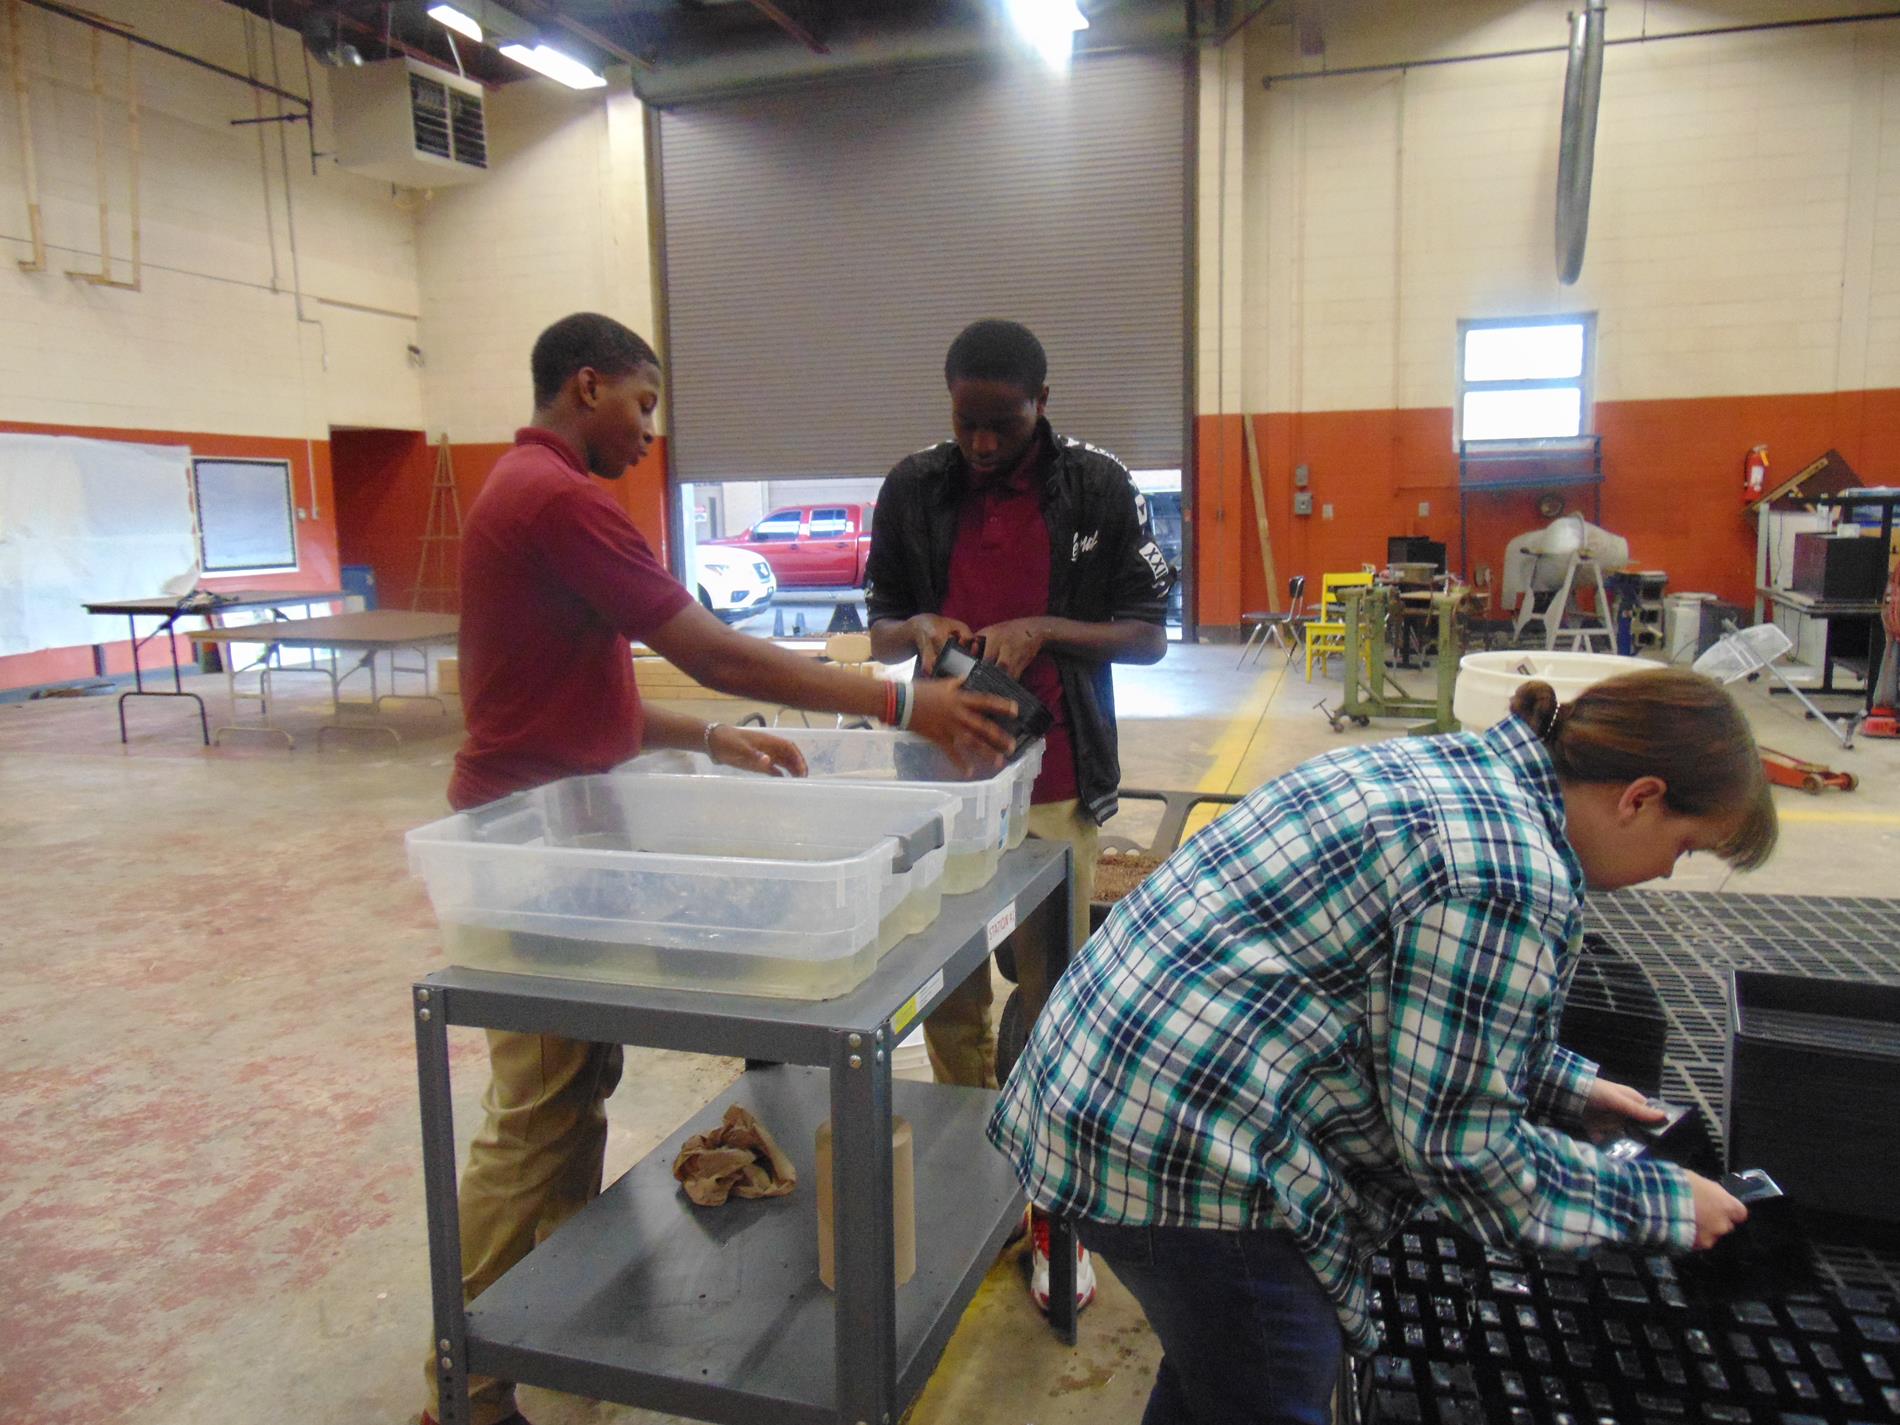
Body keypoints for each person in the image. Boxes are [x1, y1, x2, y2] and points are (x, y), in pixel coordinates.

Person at [420, 312, 1015, 1425]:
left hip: (566, 821)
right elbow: (709, 646)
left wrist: (705, 738)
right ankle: (469, 1379)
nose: (652, 432)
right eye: (642, 405)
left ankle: (542, 1331)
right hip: (537, 843)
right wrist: (900, 698)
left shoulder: (524, 490)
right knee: (535, 1110)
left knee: (569, 1092)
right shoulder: (558, 497)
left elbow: (568, 687)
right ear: (586, 385)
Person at [989, 669, 1778, 1425]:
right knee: (1275, 1378)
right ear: (1641, 798)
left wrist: (1564, 1084)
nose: (1666, 873)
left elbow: (1407, 999)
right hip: (1176, 1144)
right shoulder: (1509, 871)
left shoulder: (1463, 764)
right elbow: (1463, 1154)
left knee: (1226, 1371)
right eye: (1685, 849)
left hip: (1102, 1078)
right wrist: (1665, 1203)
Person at [864, 317, 1175, 1312]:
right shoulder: (915, 487)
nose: (982, 443)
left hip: (1053, 777)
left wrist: (1041, 628)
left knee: (1053, 992)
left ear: (1042, 402)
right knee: (941, 983)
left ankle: (1046, 1195)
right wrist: (917, 626)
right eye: (966, 423)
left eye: (1001, 423)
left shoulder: (1096, 487)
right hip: (942, 781)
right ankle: (970, 1161)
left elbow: (1147, 634)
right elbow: (874, 624)